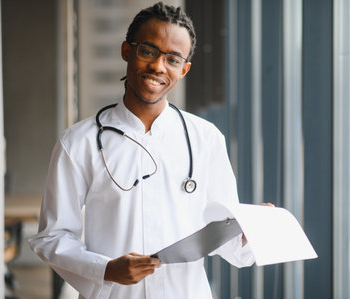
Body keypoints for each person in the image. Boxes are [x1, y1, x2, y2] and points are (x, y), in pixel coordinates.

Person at [28, 2, 254, 299]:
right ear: (127, 51)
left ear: (184, 69)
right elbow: (52, 237)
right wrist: (106, 269)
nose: (158, 67)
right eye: (148, 51)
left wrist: (250, 233)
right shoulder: (78, 142)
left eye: (173, 59)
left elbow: (226, 240)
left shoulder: (206, 139)